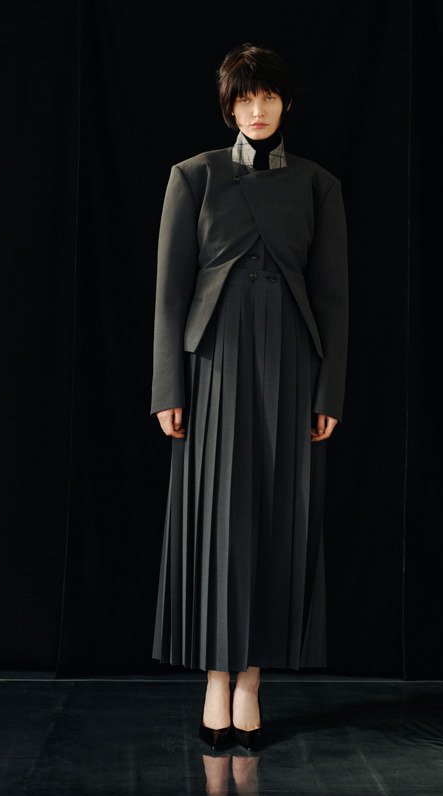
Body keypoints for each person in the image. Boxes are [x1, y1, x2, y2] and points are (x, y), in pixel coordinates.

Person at [150, 43, 348, 750]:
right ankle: (215, 678)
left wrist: (329, 391)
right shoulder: (194, 176)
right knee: (218, 521)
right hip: (214, 365)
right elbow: (170, 293)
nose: (256, 110)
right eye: (244, 99)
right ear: (230, 106)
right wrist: (167, 387)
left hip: (292, 363)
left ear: (285, 103)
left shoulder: (318, 185)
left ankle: (252, 683)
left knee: (276, 517)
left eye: (267, 98)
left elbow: (333, 298)